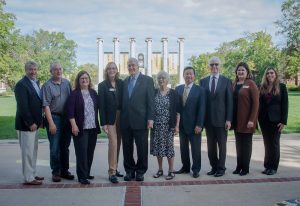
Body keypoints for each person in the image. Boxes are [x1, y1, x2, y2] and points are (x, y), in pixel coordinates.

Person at [121, 57, 155, 182]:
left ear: (138, 66)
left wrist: (151, 118)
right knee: (127, 148)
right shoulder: (125, 82)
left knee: (142, 148)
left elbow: (151, 101)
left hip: (141, 121)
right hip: (126, 121)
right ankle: (129, 171)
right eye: (129, 65)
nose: (131, 67)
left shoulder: (147, 80)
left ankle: (140, 171)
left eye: (133, 65)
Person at [200, 57, 233, 177]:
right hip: (208, 121)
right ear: (209, 66)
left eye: (216, 64)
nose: (214, 67)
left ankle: (221, 168)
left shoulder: (226, 81)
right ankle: (213, 167)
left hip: (221, 120)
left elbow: (230, 102)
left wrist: (229, 119)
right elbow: (202, 102)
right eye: (212, 64)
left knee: (222, 146)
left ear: (220, 66)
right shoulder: (203, 81)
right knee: (211, 148)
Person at [42, 63, 74, 182]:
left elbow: (71, 101)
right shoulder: (47, 85)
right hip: (54, 118)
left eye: (60, 69)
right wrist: (50, 123)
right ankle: (56, 172)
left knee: (65, 147)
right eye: (55, 69)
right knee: (55, 147)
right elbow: (45, 105)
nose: (58, 71)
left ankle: (64, 171)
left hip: (66, 118)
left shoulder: (67, 83)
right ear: (51, 72)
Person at [67, 71, 100, 184]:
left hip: (93, 128)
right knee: (81, 153)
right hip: (80, 128)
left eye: (86, 78)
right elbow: (70, 112)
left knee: (90, 152)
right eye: (82, 78)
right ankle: (81, 176)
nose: (84, 80)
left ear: (89, 80)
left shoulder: (93, 93)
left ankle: (86, 173)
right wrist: (74, 126)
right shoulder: (74, 94)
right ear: (78, 80)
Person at [15, 61, 44, 185]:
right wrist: (30, 122)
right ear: (25, 70)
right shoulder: (21, 85)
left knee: (33, 150)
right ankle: (28, 178)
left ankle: (32, 173)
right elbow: (23, 107)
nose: (33, 71)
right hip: (26, 125)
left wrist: (40, 121)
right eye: (30, 69)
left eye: (35, 69)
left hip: (35, 125)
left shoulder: (36, 83)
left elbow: (38, 104)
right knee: (27, 152)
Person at [174, 67, 206, 178]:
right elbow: (176, 108)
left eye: (191, 74)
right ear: (183, 75)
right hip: (181, 125)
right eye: (186, 74)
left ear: (194, 76)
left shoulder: (200, 90)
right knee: (183, 148)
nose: (188, 76)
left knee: (196, 149)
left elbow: (202, 109)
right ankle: (185, 167)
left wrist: (199, 124)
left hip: (194, 125)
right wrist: (175, 124)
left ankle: (196, 169)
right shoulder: (178, 89)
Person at [150, 71, 180, 180]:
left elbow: (178, 111)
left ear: (167, 80)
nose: (161, 80)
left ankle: (171, 170)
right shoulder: (154, 92)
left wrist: (177, 126)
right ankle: (160, 169)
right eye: (159, 78)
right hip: (156, 125)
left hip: (169, 125)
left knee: (169, 148)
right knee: (158, 148)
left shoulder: (173, 93)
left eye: (163, 78)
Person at [258, 67, 288, 176]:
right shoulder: (262, 88)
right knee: (267, 143)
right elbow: (260, 105)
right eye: (268, 73)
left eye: (272, 73)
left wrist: (283, 121)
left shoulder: (282, 87)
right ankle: (267, 166)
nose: (270, 75)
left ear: (275, 74)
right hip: (264, 120)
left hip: (276, 121)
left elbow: (285, 105)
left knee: (274, 144)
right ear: (265, 75)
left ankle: (273, 167)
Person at [98, 62, 124, 184]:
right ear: (106, 71)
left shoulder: (121, 83)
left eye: (114, 68)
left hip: (122, 117)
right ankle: (111, 172)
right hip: (110, 119)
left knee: (118, 144)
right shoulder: (102, 85)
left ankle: (116, 167)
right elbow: (101, 106)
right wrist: (103, 123)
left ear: (117, 70)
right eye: (109, 68)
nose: (112, 70)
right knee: (113, 143)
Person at [231, 62, 259, 176]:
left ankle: (245, 168)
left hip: (247, 121)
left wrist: (252, 120)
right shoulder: (234, 84)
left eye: (242, 70)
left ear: (247, 72)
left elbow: (256, 104)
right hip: (237, 120)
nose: (240, 72)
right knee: (238, 145)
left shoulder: (251, 84)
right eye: (238, 70)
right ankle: (239, 166)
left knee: (246, 145)